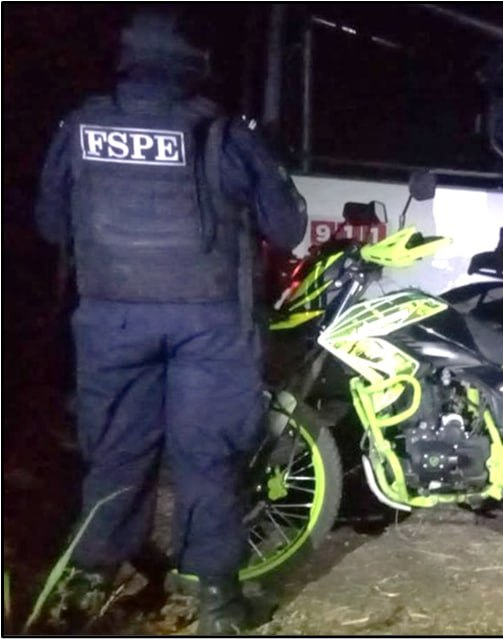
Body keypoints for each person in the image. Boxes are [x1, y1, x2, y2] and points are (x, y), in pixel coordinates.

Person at [34, 8, 308, 634]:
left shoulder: (79, 127)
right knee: (207, 457)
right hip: (209, 324)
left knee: (115, 452)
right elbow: (287, 228)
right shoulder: (222, 131)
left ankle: (87, 588)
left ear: (126, 60)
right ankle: (214, 602)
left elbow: (51, 225)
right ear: (194, 65)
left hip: (111, 321)